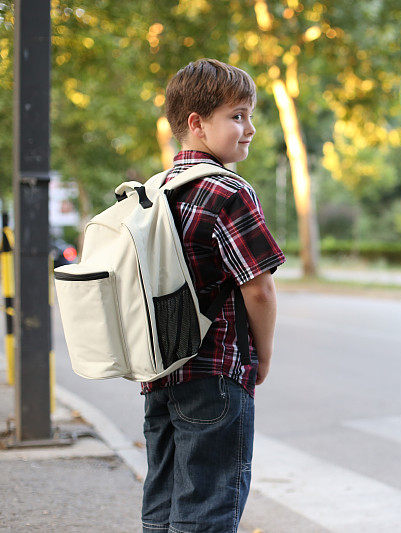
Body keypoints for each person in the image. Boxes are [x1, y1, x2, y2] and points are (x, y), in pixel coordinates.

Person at [140, 58, 285, 533]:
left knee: (162, 508)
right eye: (237, 116)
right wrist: (261, 357)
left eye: (249, 115)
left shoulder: (152, 192)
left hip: (159, 373)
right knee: (208, 514)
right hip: (217, 375)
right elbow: (258, 289)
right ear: (197, 123)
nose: (251, 128)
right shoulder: (227, 191)